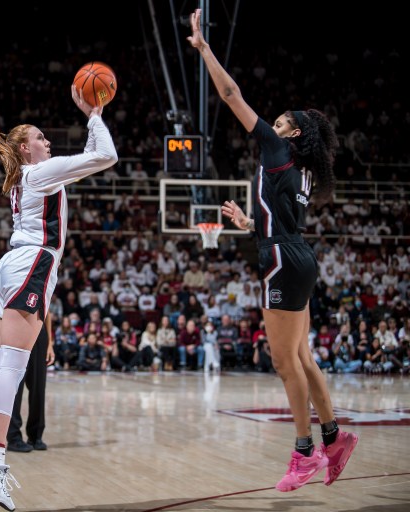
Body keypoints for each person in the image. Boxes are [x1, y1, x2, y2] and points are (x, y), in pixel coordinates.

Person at [188, 8, 357, 492]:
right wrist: (248, 225)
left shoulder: (277, 149)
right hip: (295, 254)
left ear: (293, 133)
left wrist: (203, 49)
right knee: (303, 357)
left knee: (285, 363)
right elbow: (278, 221)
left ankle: (305, 454)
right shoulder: (299, 169)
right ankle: (333, 438)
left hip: (283, 260)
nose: (272, 123)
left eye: (280, 121)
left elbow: (230, 94)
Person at [0, 84, 118, 511]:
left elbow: (87, 157)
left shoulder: (22, 178)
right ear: (26, 149)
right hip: (33, 262)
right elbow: (105, 156)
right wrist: (94, 114)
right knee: (13, 364)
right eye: (41, 138)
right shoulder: (39, 173)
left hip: (10, 265)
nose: (48, 142)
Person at [6, 315, 54, 452]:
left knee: (38, 387)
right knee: (16, 388)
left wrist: (50, 343)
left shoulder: (45, 292)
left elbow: (47, 312)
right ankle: (14, 437)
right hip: (17, 330)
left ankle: (35, 436)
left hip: (39, 334)